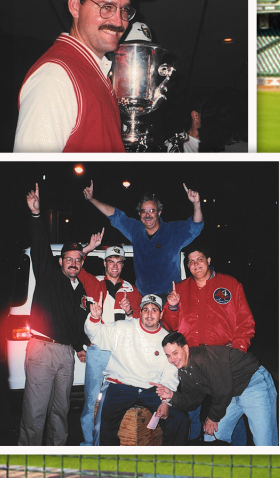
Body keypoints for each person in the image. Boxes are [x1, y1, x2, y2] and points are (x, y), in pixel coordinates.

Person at [14, 0, 148, 153]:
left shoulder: (96, 73)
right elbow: (31, 174)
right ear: (75, 6)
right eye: (107, 7)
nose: (119, 21)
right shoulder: (56, 77)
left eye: (125, 10)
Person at [19, 183, 94, 446]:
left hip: (66, 355)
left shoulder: (80, 289)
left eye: (78, 260)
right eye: (68, 259)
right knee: (35, 413)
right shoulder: (49, 275)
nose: (73, 263)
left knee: (60, 413)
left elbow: (74, 323)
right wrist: (37, 215)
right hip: (42, 350)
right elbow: (40, 245)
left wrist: (79, 347)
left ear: (81, 263)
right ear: (60, 261)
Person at [163, 248, 255, 444]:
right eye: (191, 261)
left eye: (200, 259)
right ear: (187, 266)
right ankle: (193, 449)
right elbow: (170, 327)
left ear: (209, 260)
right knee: (192, 410)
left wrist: (236, 352)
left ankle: (238, 453)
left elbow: (245, 322)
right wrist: (171, 307)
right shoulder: (179, 289)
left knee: (227, 407)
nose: (195, 264)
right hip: (192, 362)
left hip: (221, 360)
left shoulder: (230, 284)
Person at [85, 294, 188, 445]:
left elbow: (169, 374)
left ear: (161, 314)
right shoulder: (123, 327)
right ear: (140, 312)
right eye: (145, 309)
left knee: (180, 418)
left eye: (154, 310)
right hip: (119, 385)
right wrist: (94, 318)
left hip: (151, 388)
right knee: (104, 423)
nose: (149, 314)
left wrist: (165, 401)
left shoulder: (166, 339)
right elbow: (97, 335)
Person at [83, 180, 203, 300]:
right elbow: (115, 216)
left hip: (170, 296)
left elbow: (196, 226)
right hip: (143, 298)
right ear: (139, 214)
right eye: (143, 211)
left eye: (152, 210)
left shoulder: (172, 231)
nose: (147, 214)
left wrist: (196, 203)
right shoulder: (135, 230)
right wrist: (92, 199)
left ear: (159, 213)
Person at [157, 332, 278, 446]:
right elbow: (193, 401)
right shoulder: (184, 370)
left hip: (253, 383)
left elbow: (222, 390)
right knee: (211, 435)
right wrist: (172, 396)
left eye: (175, 353)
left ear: (186, 348)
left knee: (264, 443)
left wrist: (213, 417)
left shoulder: (203, 358)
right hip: (230, 393)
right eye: (168, 355)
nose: (172, 359)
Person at [79, 244, 142, 446]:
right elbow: (77, 266)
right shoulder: (94, 282)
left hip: (120, 352)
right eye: (111, 261)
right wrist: (87, 249)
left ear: (123, 265)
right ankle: (89, 443)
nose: (115, 266)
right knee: (91, 400)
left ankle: (104, 442)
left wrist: (130, 310)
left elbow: (142, 322)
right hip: (98, 350)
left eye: (119, 262)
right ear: (105, 263)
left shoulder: (131, 289)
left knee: (110, 402)